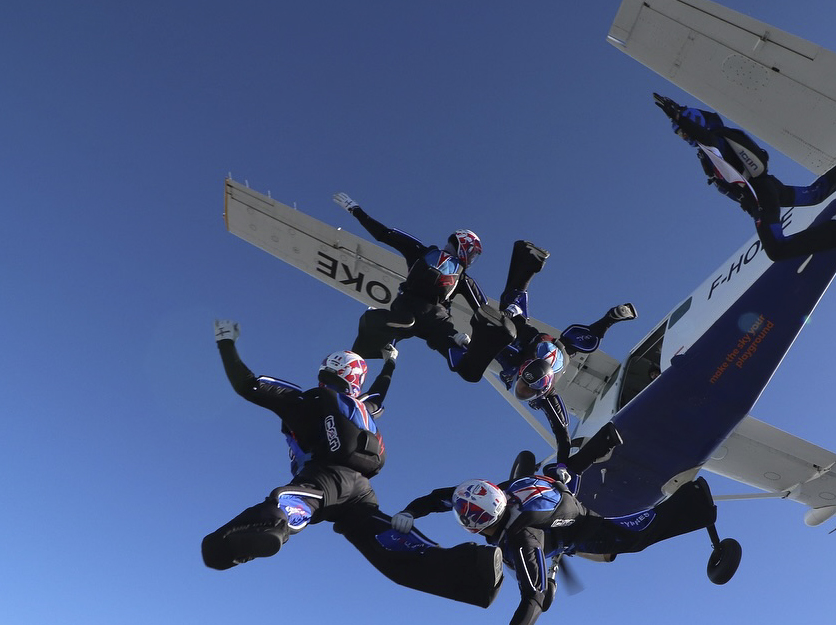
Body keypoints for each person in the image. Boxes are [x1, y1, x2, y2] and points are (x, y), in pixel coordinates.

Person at [389, 432, 717, 625]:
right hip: (555, 491)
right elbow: (444, 497)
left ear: (479, 526)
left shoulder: (522, 539)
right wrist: (410, 511)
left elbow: (533, 596)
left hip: (578, 526)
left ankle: (696, 503)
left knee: (634, 539)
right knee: (527, 562)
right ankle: (603, 450)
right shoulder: (495, 492)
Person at [200, 319, 398, 570]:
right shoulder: (363, 407)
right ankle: (409, 551)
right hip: (364, 490)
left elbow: (247, 385)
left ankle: (268, 527)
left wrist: (225, 342)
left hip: (325, 477)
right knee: (372, 529)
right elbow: (379, 393)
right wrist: (390, 363)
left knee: (290, 505)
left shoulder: (305, 401)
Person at [452, 241, 638, 463]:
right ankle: (532, 261)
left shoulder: (530, 377)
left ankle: (610, 318)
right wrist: (469, 344)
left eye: (523, 387)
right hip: (536, 343)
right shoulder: (543, 391)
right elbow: (562, 434)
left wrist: (466, 345)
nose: (522, 390)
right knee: (508, 311)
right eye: (525, 387)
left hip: (556, 349)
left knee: (519, 327)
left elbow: (563, 435)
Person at [653, 93, 836, 261]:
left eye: (683, 132)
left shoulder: (712, 141)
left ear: (693, 122)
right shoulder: (714, 143)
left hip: (760, 196)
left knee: (777, 250)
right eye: (680, 135)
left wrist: (679, 117)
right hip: (769, 188)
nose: (684, 137)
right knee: (817, 194)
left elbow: (706, 139)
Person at [333, 192, 486, 366]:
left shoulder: (460, 277)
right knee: (391, 327)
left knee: (457, 351)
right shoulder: (423, 253)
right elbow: (385, 234)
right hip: (412, 311)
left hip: (430, 317)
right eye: (472, 253)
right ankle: (362, 352)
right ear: (463, 244)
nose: (471, 259)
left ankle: (463, 353)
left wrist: (473, 338)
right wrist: (356, 210)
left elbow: (484, 311)